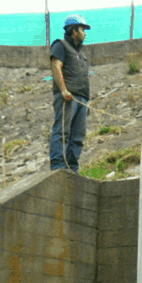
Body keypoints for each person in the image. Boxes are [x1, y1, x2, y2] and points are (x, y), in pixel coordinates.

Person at [50, 14, 91, 172]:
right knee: (62, 131)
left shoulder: (81, 54)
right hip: (68, 97)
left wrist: (87, 101)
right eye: (83, 29)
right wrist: (63, 89)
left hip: (82, 99)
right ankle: (58, 165)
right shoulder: (60, 45)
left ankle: (72, 168)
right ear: (74, 31)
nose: (85, 33)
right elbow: (56, 66)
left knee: (78, 137)